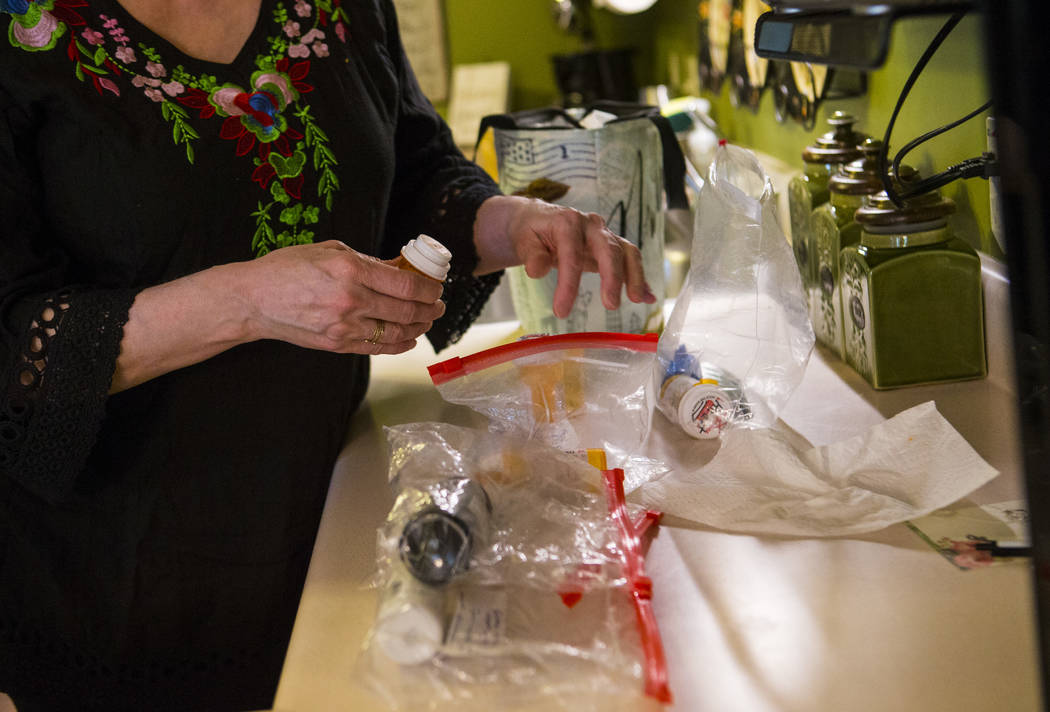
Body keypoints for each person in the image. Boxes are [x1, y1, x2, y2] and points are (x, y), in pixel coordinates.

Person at [0, 0, 655, 709]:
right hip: (123, 588)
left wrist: (510, 223)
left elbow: (414, 172)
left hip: (340, 528)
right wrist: (246, 302)